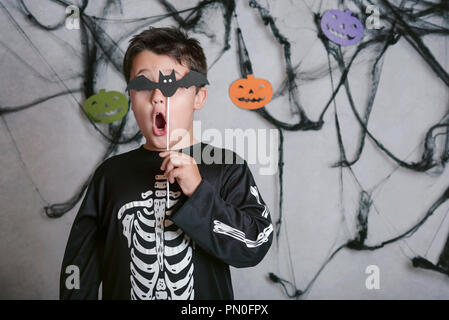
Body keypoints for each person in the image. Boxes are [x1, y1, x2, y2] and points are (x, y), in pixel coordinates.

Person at [60, 26, 273, 300]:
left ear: (199, 97)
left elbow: (255, 244)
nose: (157, 96)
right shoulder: (109, 176)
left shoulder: (227, 167)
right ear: (131, 98)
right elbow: (79, 270)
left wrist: (199, 192)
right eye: (142, 85)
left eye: (171, 85)